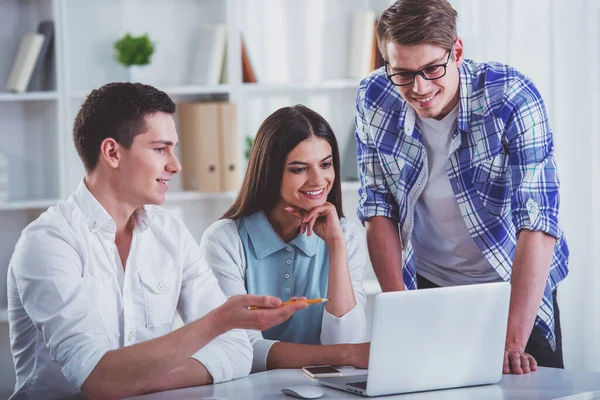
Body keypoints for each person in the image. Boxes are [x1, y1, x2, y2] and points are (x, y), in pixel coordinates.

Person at [7, 82, 307, 399]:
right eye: (160, 149)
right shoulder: (48, 242)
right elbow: (97, 379)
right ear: (112, 152)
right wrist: (218, 321)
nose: (175, 165)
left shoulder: (171, 233)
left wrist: (136, 381)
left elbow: (236, 350)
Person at [355, 0, 569, 375]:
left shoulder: (511, 97)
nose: (419, 88)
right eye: (402, 73)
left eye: (432, 69)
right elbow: (378, 207)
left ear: (457, 51)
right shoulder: (374, 96)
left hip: (514, 282)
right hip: (430, 282)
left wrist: (511, 343)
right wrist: (402, 312)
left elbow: (537, 219)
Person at [201, 105, 370, 372]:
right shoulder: (224, 240)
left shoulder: (346, 235)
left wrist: (336, 247)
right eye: (299, 169)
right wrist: (346, 355)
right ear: (270, 172)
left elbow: (345, 340)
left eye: (325, 164)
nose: (318, 180)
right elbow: (243, 350)